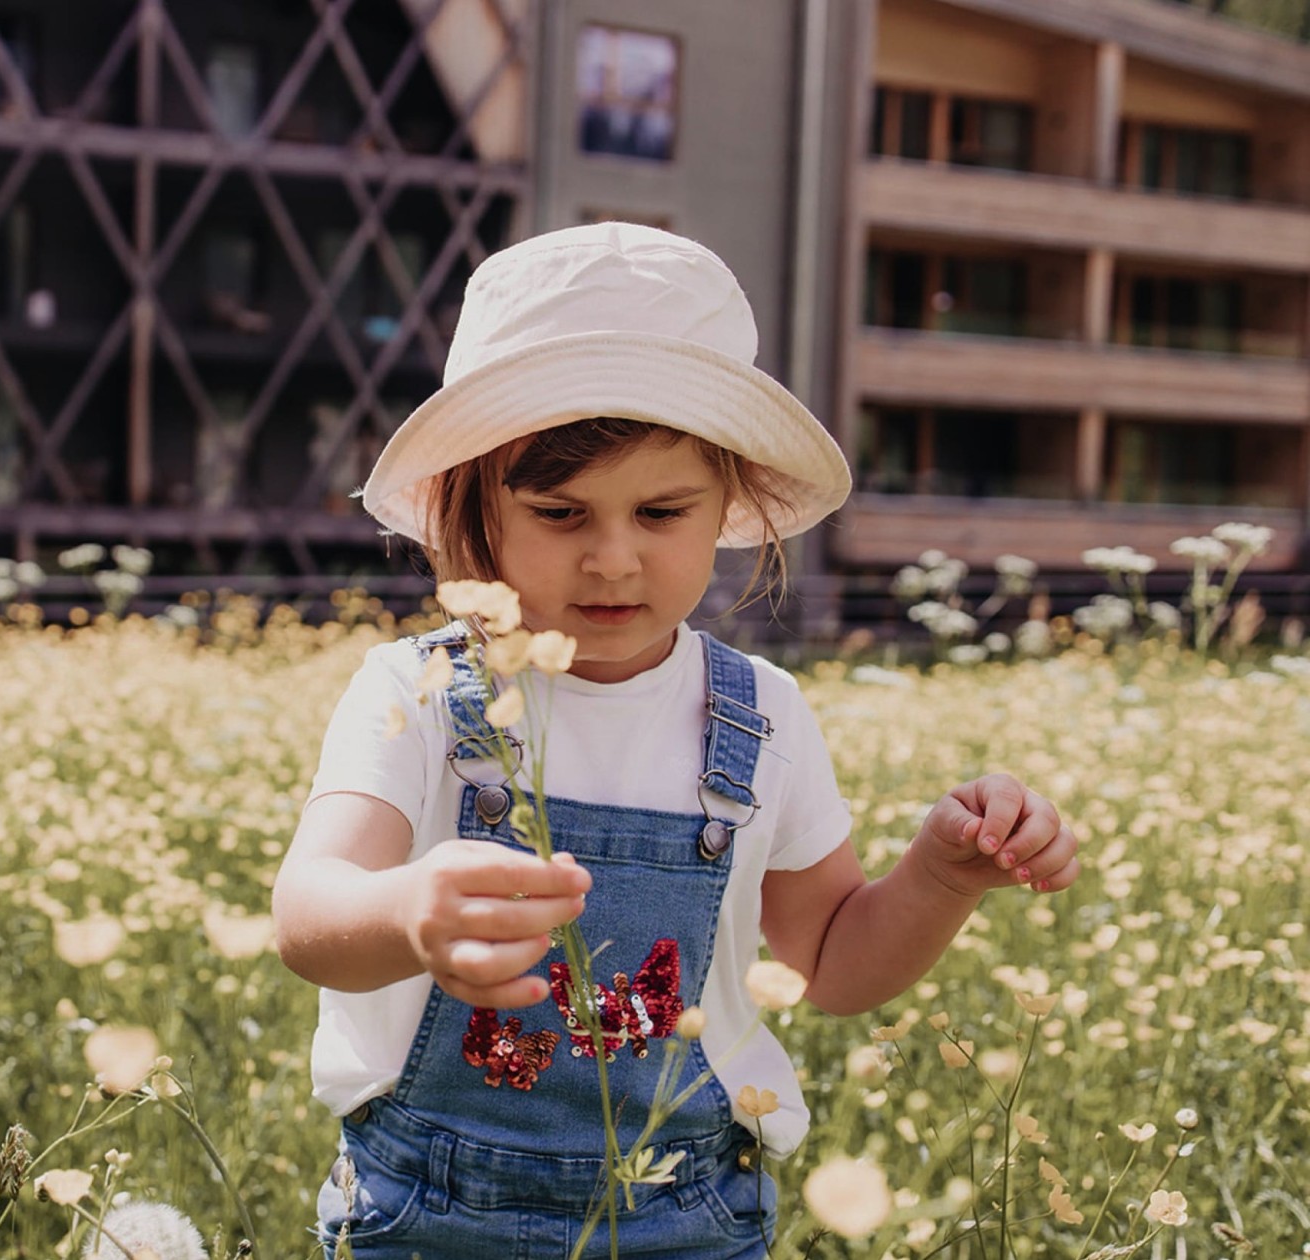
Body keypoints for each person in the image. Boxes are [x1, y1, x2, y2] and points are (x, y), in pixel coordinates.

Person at [271, 222, 1081, 1259]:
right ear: (478, 507)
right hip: (425, 1212)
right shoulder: (419, 690)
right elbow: (307, 914)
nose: (614, 560)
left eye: (661, 511)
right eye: (561, 514)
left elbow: (829, 964)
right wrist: (404, 913)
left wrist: (941, 876)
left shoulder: (763, 714)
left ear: (729, 505)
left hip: (686, 1217)